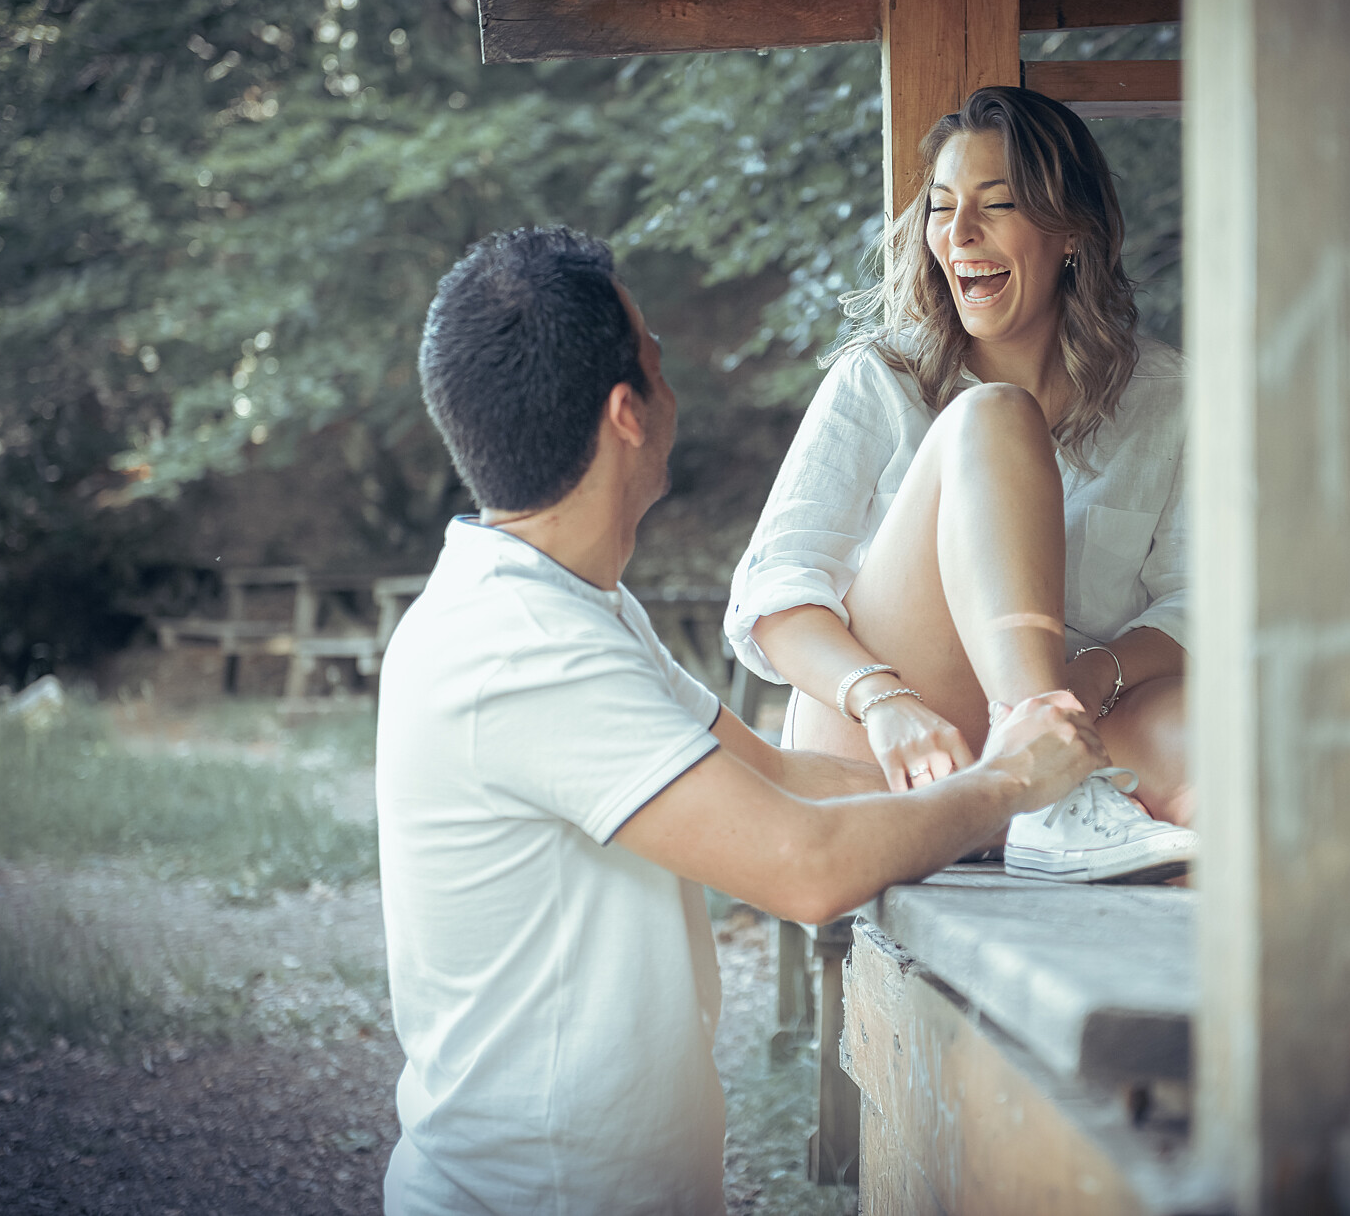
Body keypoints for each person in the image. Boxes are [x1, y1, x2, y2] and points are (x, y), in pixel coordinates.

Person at [376, 226, 1107, 1215]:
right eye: (659, 364)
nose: (673, 389)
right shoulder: (516, 647)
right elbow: (802, 867)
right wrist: (1008, 783)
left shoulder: (568, 606)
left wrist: (996, 784)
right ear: (627, 413)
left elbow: (782, 776)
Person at [726, 86, 1195, 884]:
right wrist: (882, 700)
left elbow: (1196, 603)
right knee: (994, 419)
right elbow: (772, 595)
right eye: (943, 208)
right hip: (906, 743)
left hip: (1089, 732)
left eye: (997, 204)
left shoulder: (1171, 396)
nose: (960, 234)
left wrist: (1074, 689)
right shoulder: (880, 376)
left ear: (1071, 232)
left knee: (1236, 764)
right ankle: (1045, 791)